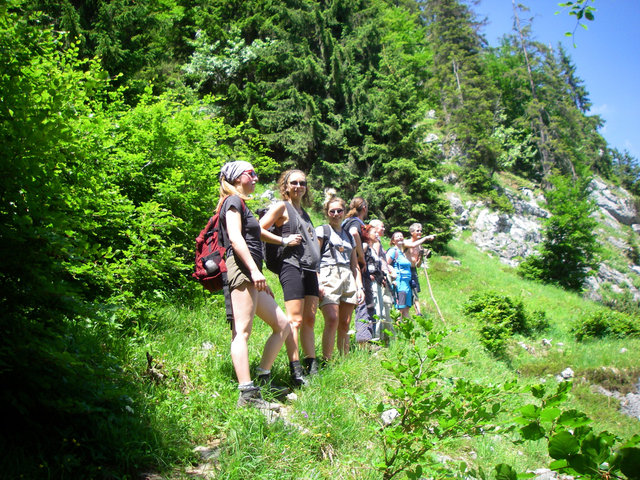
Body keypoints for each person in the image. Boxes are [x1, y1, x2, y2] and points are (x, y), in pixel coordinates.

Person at [217, 160, 302, 410]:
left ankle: (263, 377)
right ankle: (247, 394)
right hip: (242, 270)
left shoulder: (242, 203)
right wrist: (254, 271)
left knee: (282, 324)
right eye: (250, 173)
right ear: (236, 178)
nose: (256, 177)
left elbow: (258, 233)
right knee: (241, 332)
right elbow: (234, 238)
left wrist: (283, 241)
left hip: (252, 272)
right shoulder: (232, 202)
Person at [259, 170, 321, 384]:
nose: (298, 186)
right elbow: (257, 229)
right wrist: (283, 241)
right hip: (291, 265)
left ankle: (312, 366)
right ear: (285, 186)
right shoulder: (281, 207)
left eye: (302, 183)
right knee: (295, 320)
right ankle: (296, 372)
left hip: (310, 269)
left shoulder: (304, 212)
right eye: (293, 182)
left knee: (310, 320)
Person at [316, 190, 365, 359]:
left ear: (344, 212)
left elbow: (355, 264)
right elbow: (314, 258)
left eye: (339, 210)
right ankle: (327, 360)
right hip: (328, 275)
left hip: (347, 279)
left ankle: (343, 360)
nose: (336, 214)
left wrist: (359, 287)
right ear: (327, 213)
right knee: (332, 318)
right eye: (332, 211)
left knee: (344, 324)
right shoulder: (322, 231)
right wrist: (318, 282)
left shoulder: (349, 236)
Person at [342, 197, 375, 345]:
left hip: (348, 263)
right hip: (358, 266)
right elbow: (355, 233)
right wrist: (361, 256)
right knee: (364, 301)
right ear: (364, 208)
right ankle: (364, 339)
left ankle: (357, 338)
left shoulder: (346, 221)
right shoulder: (356, 222)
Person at [367, 220, 394, 342]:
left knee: (384, 308)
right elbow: (375, 262)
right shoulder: (373, 244)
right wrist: (381, 274)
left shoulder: (377, 242)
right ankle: (379, 339)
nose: (383, 229)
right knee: (380, 309)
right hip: (378, 279)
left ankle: (384, 338)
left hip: (381, 278)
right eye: (381, 227)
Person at [403, 223, 435, 316]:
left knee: (415, 291)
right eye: (417, 231)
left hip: (413, 270)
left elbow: (418, 265)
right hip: (405, 270)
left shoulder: (420, 247)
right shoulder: (406, 242)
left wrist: (420, 257)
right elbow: (412, 245)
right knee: (405, 292)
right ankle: (403, 314)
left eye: (421, 231)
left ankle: (418, 313)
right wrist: (426, 238)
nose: (420, 232)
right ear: (412, 232)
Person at [386, 231, 414, 319]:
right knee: (400, 307)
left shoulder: (402, 253)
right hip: (400, 283)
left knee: (407, 307)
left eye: (401, 236)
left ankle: (405, 329)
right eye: (397, 237)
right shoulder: (393, 251)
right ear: (393, 241)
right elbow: (385, 264)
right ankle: (397, 329)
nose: (400, 238)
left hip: (407, 284)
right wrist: (392, 275)